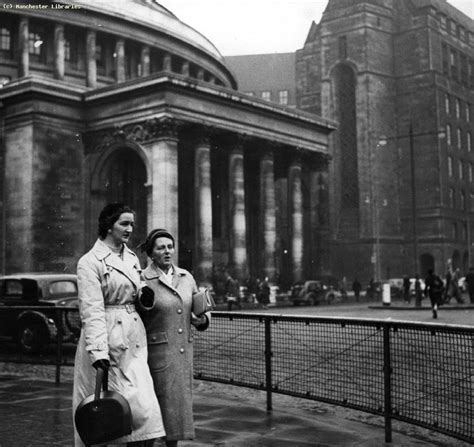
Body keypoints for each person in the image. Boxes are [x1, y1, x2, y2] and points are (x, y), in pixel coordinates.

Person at [72, 203, 165, 447]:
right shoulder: (89, 262)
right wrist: (98, 352)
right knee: (108, 412)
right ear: (108, 225)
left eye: (132, 224)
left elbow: (135, 286)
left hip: (133, 339)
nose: (130, 229)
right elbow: (91, 310)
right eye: (124, 223)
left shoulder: (131, 256)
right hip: (107, 339)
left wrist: (144, 296)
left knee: (144, 411)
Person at [137, 229, 210, 447]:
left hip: (181, 354)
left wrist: (202, 319)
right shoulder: (142, 279)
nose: (167, 251)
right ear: (151, 253)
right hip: (155, 354)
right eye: (161, 247)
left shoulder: (186, 277)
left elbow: (200, 308)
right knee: (151, 413)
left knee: (176, 413)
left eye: (170, 247)